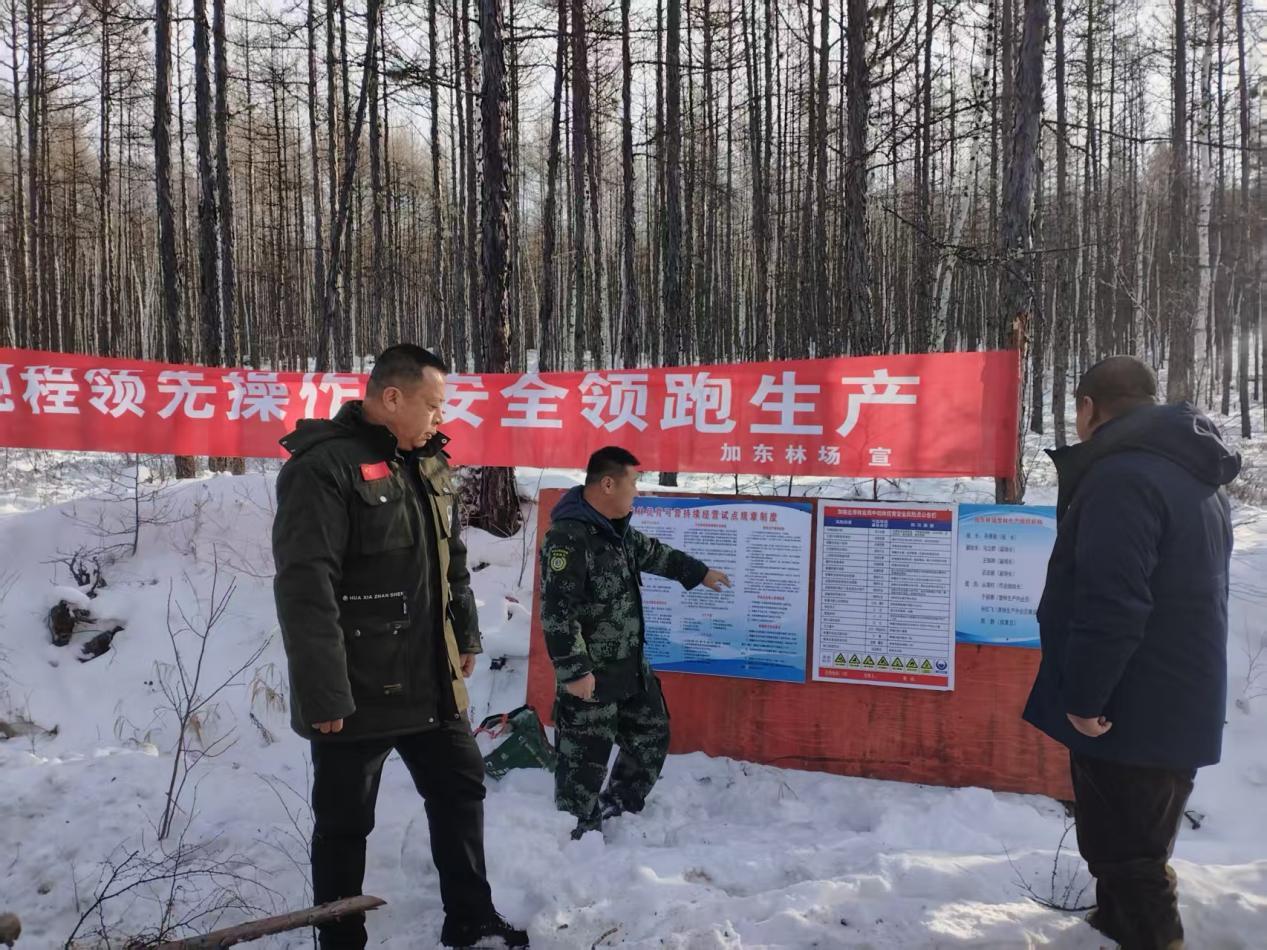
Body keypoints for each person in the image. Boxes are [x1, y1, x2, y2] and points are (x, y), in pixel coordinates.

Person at [272, 345, 528, 950]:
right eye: (433, 405)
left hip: (430, 676)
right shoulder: (323, 468)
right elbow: (306, 586)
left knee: (460, 790)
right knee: (344, 823)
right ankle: (340, 940)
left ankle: (471, 919)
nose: (442, 417)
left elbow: (452, 560)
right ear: (392, 397)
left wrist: (464, 633)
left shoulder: (430, 462)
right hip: (357, 685)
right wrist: (323, 691)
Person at [1023, 355, 1240, 950]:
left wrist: (1086, 696)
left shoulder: (1123, 478)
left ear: (1087, 407)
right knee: (1134, 847)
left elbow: (1113, 601)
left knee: (1128, 857)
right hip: (1174, 694)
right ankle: (1113, 929)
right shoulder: (1192, 473)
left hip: (1132, 705)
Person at [539, 446, 732, 838]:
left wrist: (700, 572)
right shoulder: (569, 538)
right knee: (582, 767)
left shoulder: (617, 531)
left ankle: (620, 807)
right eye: (634, 482)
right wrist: (574, 671)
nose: (637, 491)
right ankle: (576, 840)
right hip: (591, 677)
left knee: (650, 736)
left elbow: (654, 553)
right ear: (608, 484)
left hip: (630, 669)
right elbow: (558, 612)